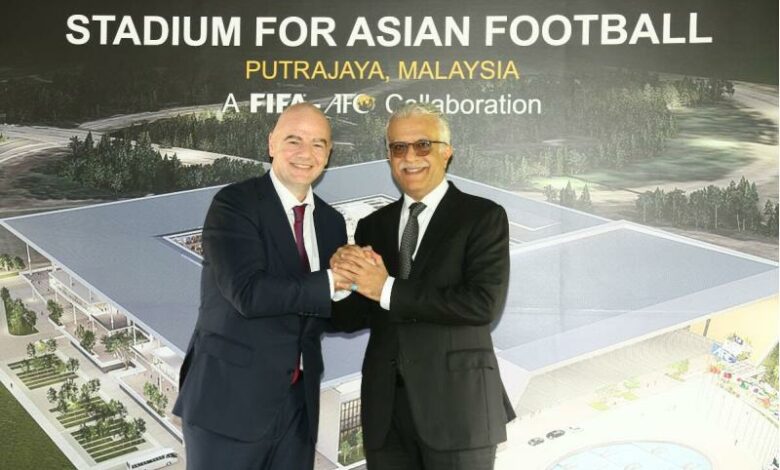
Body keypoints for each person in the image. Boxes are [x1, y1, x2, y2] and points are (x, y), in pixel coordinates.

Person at [331, 103, 515, 470]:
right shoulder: (372, 226)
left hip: (458, 411)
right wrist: (338, 281)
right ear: (388, 156)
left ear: (447, 152)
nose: (410, 157)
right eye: (398, 147)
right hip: (387, 415)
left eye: (423, 145)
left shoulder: (483, 216)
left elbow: (482, 304)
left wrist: (386, 288)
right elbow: (356, 315)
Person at [173, 103, 348, 469]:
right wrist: (335, 280)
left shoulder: (332, 223)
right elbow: (249, 294)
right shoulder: (234, 204)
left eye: (318, 143)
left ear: (329, 153)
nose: (306, 153)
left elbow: (323, 309)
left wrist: (377, 289)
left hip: (298, 408)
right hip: (228, 405)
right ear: (271, 144)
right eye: (294, 140)